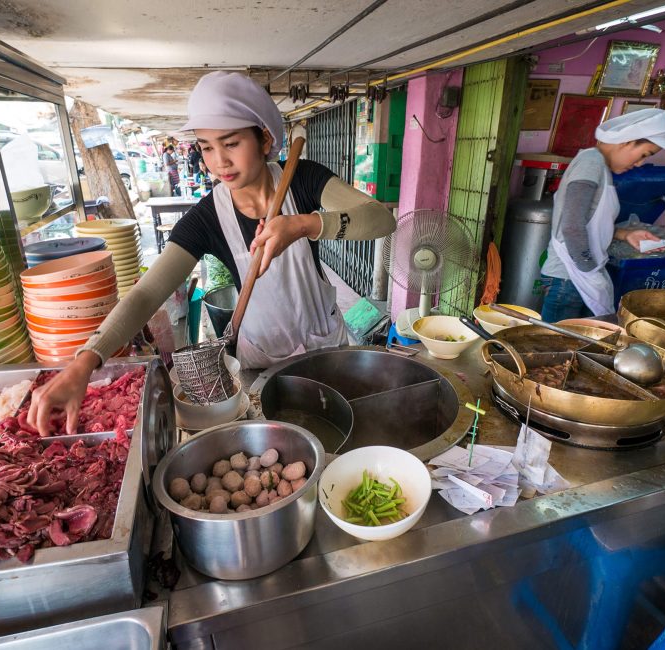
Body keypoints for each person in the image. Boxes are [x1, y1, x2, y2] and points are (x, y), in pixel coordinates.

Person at [27, 71, 396, 435]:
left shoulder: (303, 179)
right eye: (206, 146)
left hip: (326, 355)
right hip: (261, 369)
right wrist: (86, 360)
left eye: (231, 143)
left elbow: (380, 220)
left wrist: (303, 225)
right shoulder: (207, 218)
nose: (218, 161)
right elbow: (146, 292)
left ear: (265, 138)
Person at [539, 109, 665, 321]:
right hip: (568, 279)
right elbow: (572, 225)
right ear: (627, 142)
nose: (639, 164)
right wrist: (589, 270)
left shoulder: (599, 166)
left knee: (575, 345)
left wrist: (625, 235)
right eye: (644, 155)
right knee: (555, 347)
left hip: (574, 278)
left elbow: (590, 223)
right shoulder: (590, 162)